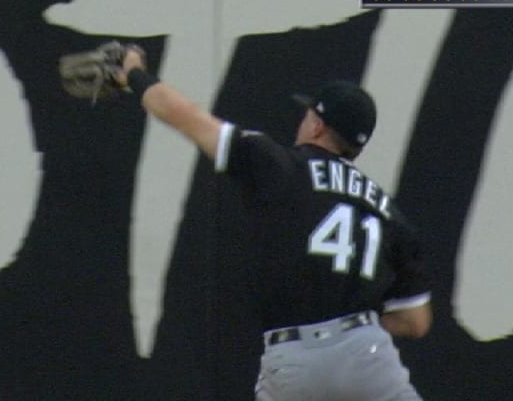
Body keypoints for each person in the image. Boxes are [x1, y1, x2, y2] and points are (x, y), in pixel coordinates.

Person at [118, 48, 432, 401]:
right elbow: (415, 321)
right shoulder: (389, 213)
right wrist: (353, 320)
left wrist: (134, 74)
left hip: (291, 358)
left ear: (317, 125)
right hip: (365, 357)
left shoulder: (279, 165)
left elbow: (184, 115)